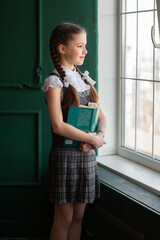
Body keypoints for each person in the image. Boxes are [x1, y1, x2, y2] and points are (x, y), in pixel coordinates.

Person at [41, 22, 107, 240]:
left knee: (79, 218)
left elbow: (101, 115)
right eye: (80, 46)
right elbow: (57, 125)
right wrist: (91, 139)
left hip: (86, 154)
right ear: (62, 48)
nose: (85, 51)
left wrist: (98, 137)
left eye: (85, 46)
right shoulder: (54, 81)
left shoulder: (84, 78)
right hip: (64, 156)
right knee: (65, 219)